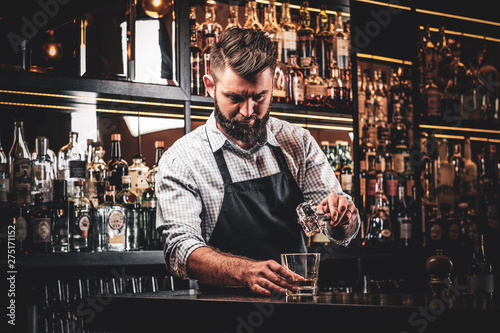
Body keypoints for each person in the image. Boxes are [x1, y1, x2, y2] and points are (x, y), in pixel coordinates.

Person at [156, 27, 360, 296]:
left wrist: (343, 217)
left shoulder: (298, 142)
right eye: (235, 98)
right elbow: (179, 251)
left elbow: (342, 233)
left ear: (273, 83)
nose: (248, 111)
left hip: (296, 308)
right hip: (219, 315)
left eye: (259, 97)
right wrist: (244, 272)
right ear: (210, 87)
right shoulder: (183, 159)